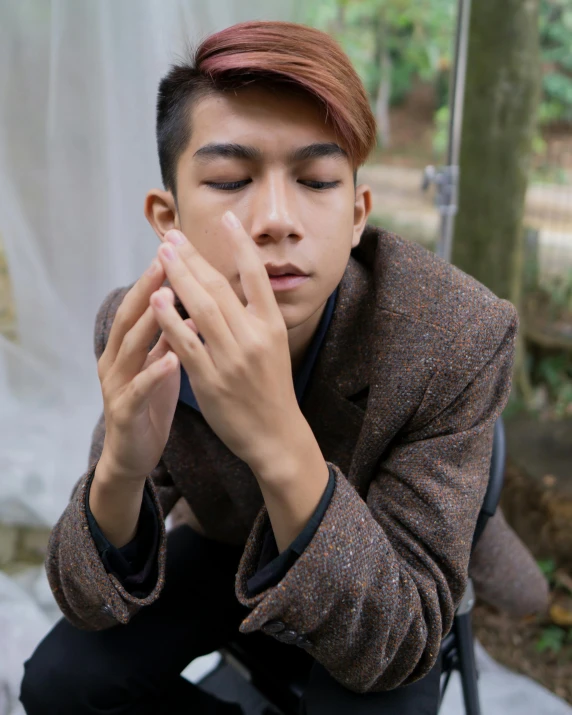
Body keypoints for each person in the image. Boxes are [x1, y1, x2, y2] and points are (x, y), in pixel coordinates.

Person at [20, 20, 548, 715]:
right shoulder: (145, 323)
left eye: (317, 179)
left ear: (358, 212)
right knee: (59, 682)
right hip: (228, 543)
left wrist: (276, 437)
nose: (275, 218)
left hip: (383, 563)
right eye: (232, 178)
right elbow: (88, 600)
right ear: (167, 218)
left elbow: (399, 637)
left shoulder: (456, 333)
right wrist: (118, 469)